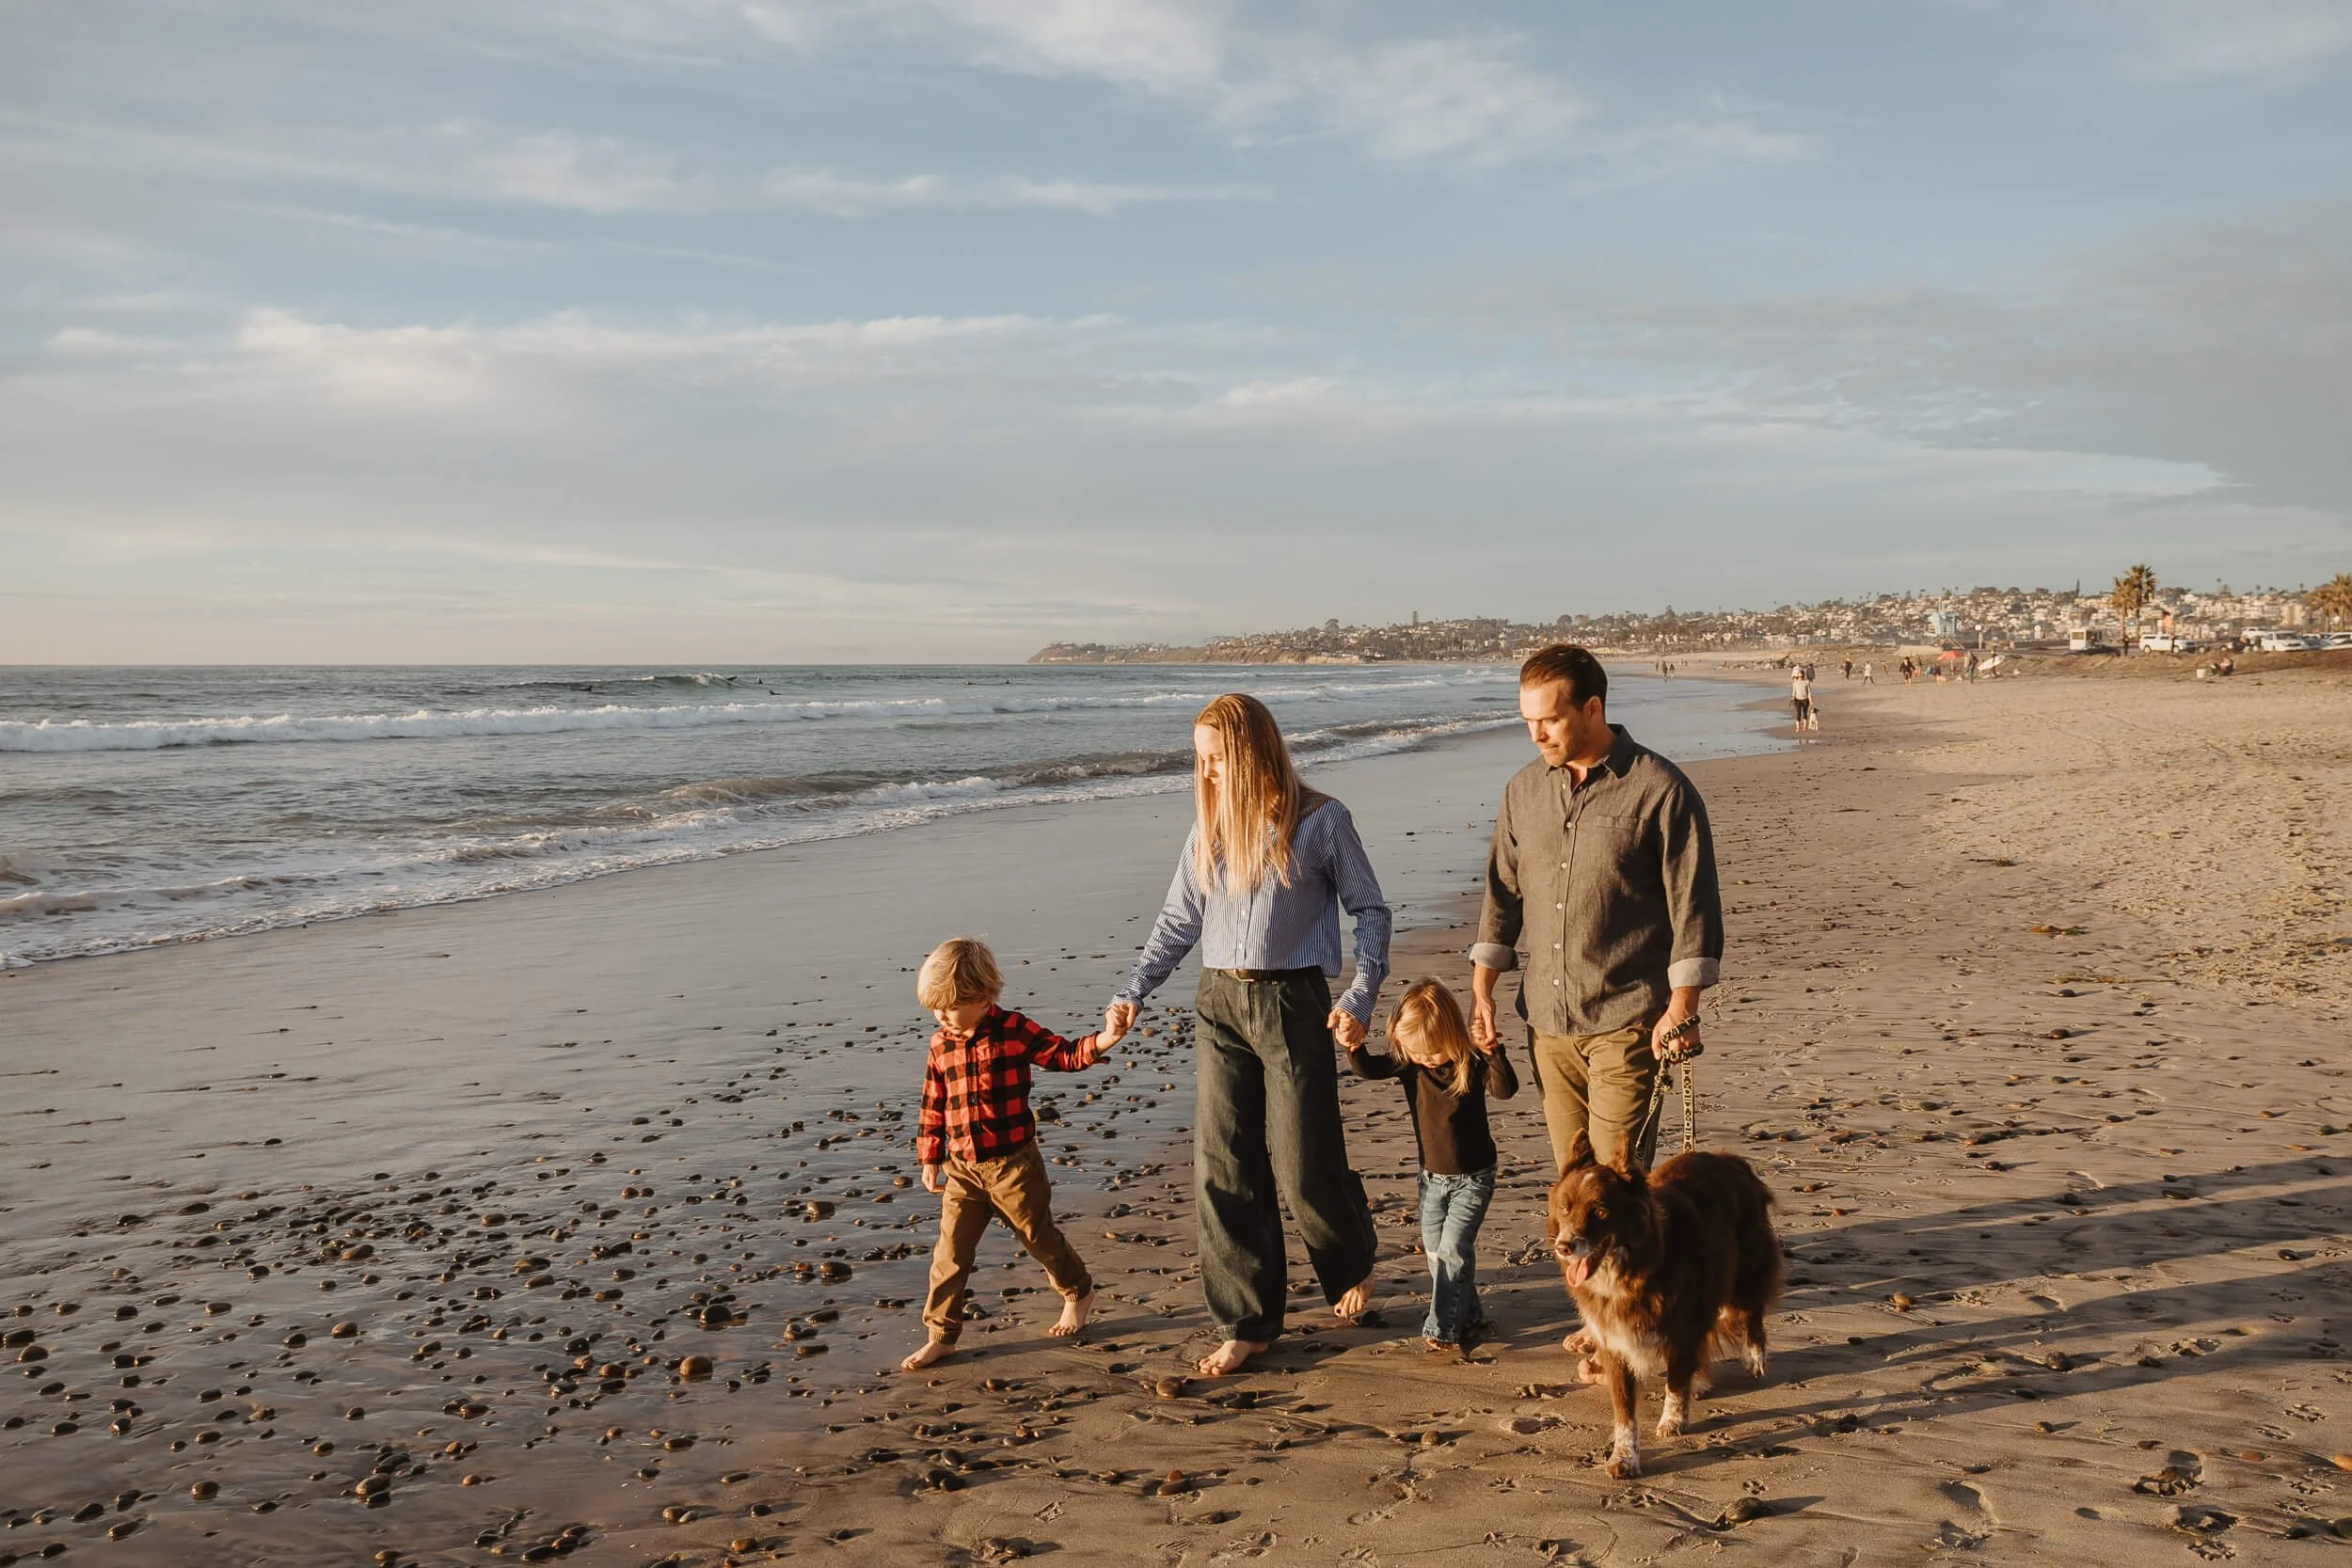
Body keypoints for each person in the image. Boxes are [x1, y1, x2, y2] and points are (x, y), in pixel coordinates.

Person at [1109, 693, 1389, 1377]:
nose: (1205, 773)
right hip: (1219, 1002)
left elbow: (1372, 910)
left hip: (1295, 1001)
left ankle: (1351, 1258)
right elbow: (1177, 921)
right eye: (1198, 760)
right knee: (1223, 1162)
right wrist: (1132, 992)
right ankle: (1247, 1320)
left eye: (1216, 759)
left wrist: (1361, 993)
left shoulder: (1323, 821)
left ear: (1254, 751)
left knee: (1302, 1160)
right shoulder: (1207, 831)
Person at [903, 937, 1126, 1372]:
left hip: (1014, 1167)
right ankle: (941, 1335)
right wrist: (930, 1156)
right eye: (935, 1009)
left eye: (949, 1008)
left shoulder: (1014, 1031)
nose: (941, 1018)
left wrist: (1106, 1038)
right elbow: (933, 1102)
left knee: (1037, 1236)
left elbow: (1063, 1055)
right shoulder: (940, 1044)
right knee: (949, 1255)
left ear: (984, 998)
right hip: (963, 1170)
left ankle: (1077, 1290)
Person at [1347, 978, 1517, 1353]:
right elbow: (1369, 1069)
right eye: (1417, 1053)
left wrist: (1493, 1052)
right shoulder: (1411, 1064)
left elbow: (1505, 1090)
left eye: (1433, 1053)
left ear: (1452, 1035)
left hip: (1474, 1177)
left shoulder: (1470, 1061)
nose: (1425, 1060)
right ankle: (1469, 1313)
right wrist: (1354, 1045)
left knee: (1454, 1249)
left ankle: (1442, 1328)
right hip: (1431, 1178)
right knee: (1436, 1253)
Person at [1789, 667, 1813, 733]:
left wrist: (1810, 700)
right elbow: (1794, 691)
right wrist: (1793, 697)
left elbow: (1809, 692)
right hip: (1797, 699)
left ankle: (1804, 727)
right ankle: (1797, 727)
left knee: (1805, 713)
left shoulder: (1807, 682)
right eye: (1799, 674)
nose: (1800, 676)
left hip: (1805, 699)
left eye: (1801, 674)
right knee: (1798, 713)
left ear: (1803, 675)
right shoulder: (1795, 683)